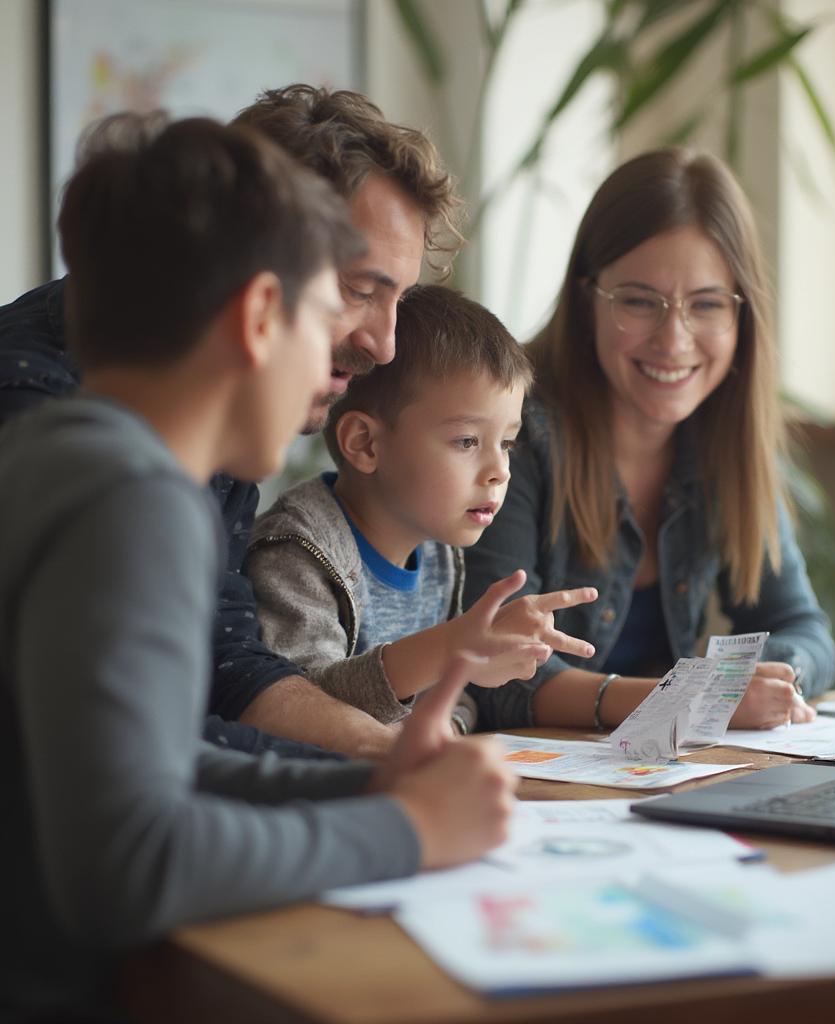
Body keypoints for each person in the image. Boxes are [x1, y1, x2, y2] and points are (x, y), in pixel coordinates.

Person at [0, 115, 515, 1020]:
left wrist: (368, 780)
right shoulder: (135, 499)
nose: (360, 357)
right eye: (332, 313)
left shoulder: (59, 456)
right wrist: (407, 830)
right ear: (260, 316)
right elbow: (130, 867)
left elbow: (153, 760)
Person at [0, 85, 459, 760]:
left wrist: (395, 759)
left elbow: (226, 668)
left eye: (400, 299)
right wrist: (392, 800)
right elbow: (128, 775)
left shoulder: (205, 409)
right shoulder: (41, 421)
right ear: (257, 281)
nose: (384, 347)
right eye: (356, 293)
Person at [463, 149, 835, 733]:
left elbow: (803, 627)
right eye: (639, 301)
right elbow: (499, 667)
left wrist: (768, 679)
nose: (674, 339)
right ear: (588, 300)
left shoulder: (724, 437)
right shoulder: (514, 431)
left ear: (742, 317)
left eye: (707, 305)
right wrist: (691, 700)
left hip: (650, 775)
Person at [246, 284, 598, 731]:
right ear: (365, 444)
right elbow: (293, 706)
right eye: (467, 441)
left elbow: (453, 701)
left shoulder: (437, 554)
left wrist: (448, 725)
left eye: (506, 443)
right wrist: (449, 649)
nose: (500, 471)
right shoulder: (297, 552)